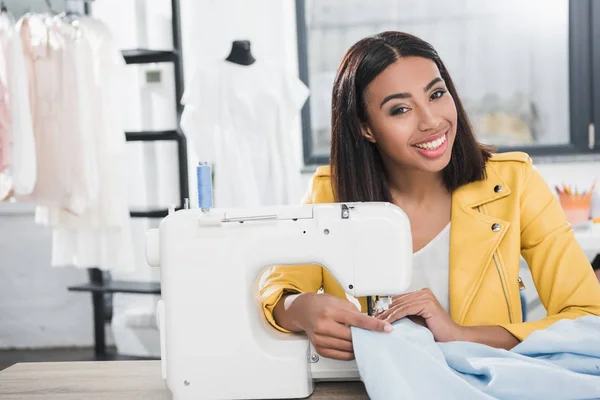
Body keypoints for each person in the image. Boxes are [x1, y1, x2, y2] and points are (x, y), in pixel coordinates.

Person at [260, 31, 600, 361]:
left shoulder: (513, 183)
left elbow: (587, 317)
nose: (431, 121)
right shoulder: (330, 193)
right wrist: (300, 309)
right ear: (366, 128)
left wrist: (460, 335)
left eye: (436, 94)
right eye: (400, 110)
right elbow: (276, 291)